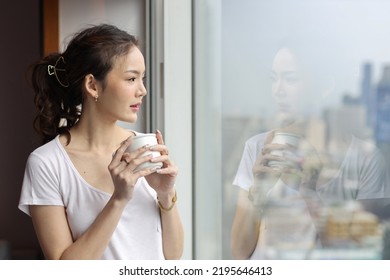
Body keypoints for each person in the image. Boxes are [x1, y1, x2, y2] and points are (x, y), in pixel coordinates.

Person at [18, 24, 184, 260]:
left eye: (142, 78)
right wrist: (118, 199)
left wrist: (166, 195)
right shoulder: (47, 163)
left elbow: (173, 256)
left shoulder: (144, 149)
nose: (143, 90)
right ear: (92, 85)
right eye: (131, 78)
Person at [231, 39, 390, 260]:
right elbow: (239, 253)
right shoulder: (258, 148)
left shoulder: (364, 158)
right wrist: (258, 190)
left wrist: (311, 196)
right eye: (273, 79)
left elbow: (366, 253)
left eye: (291, 79)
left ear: (325, 86)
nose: (278, 90)